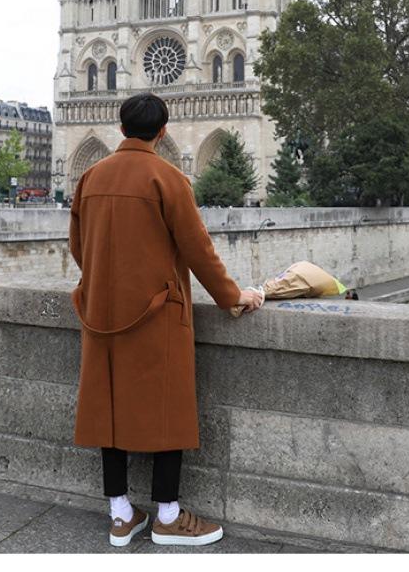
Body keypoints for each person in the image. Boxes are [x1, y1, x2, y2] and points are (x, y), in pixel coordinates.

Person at [69, 94, 263, 548]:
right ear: (162, 131)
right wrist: (233, 297)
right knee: (167, 410)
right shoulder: (168, 177)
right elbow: (199, 251)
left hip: (101, 313)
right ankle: (168, 517)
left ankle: (120, 515)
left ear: (120, 130)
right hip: (156, 313)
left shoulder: (90, 178)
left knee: (107, 407)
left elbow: (80, 248)